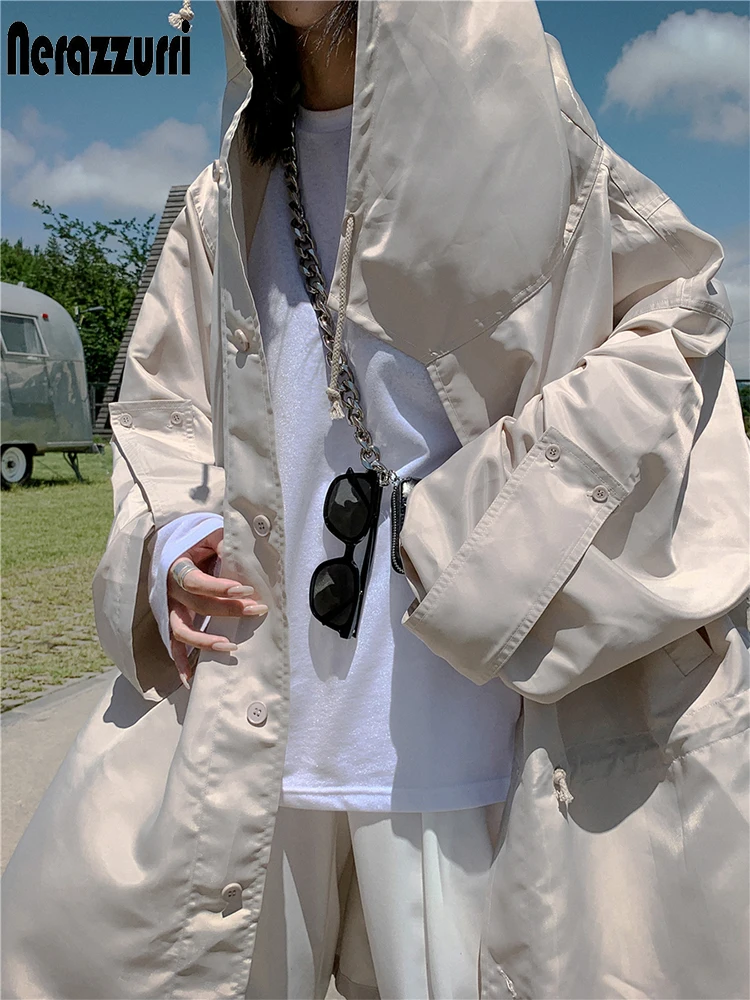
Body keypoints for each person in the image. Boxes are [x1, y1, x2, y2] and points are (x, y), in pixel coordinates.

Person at [2, 2, 748, 999]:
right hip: (248, 725)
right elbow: (161, 413)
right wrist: (169, 540)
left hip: (463, 737)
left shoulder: (528, 130)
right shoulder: (224, 194)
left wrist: (495, 525)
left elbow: (680, 319)